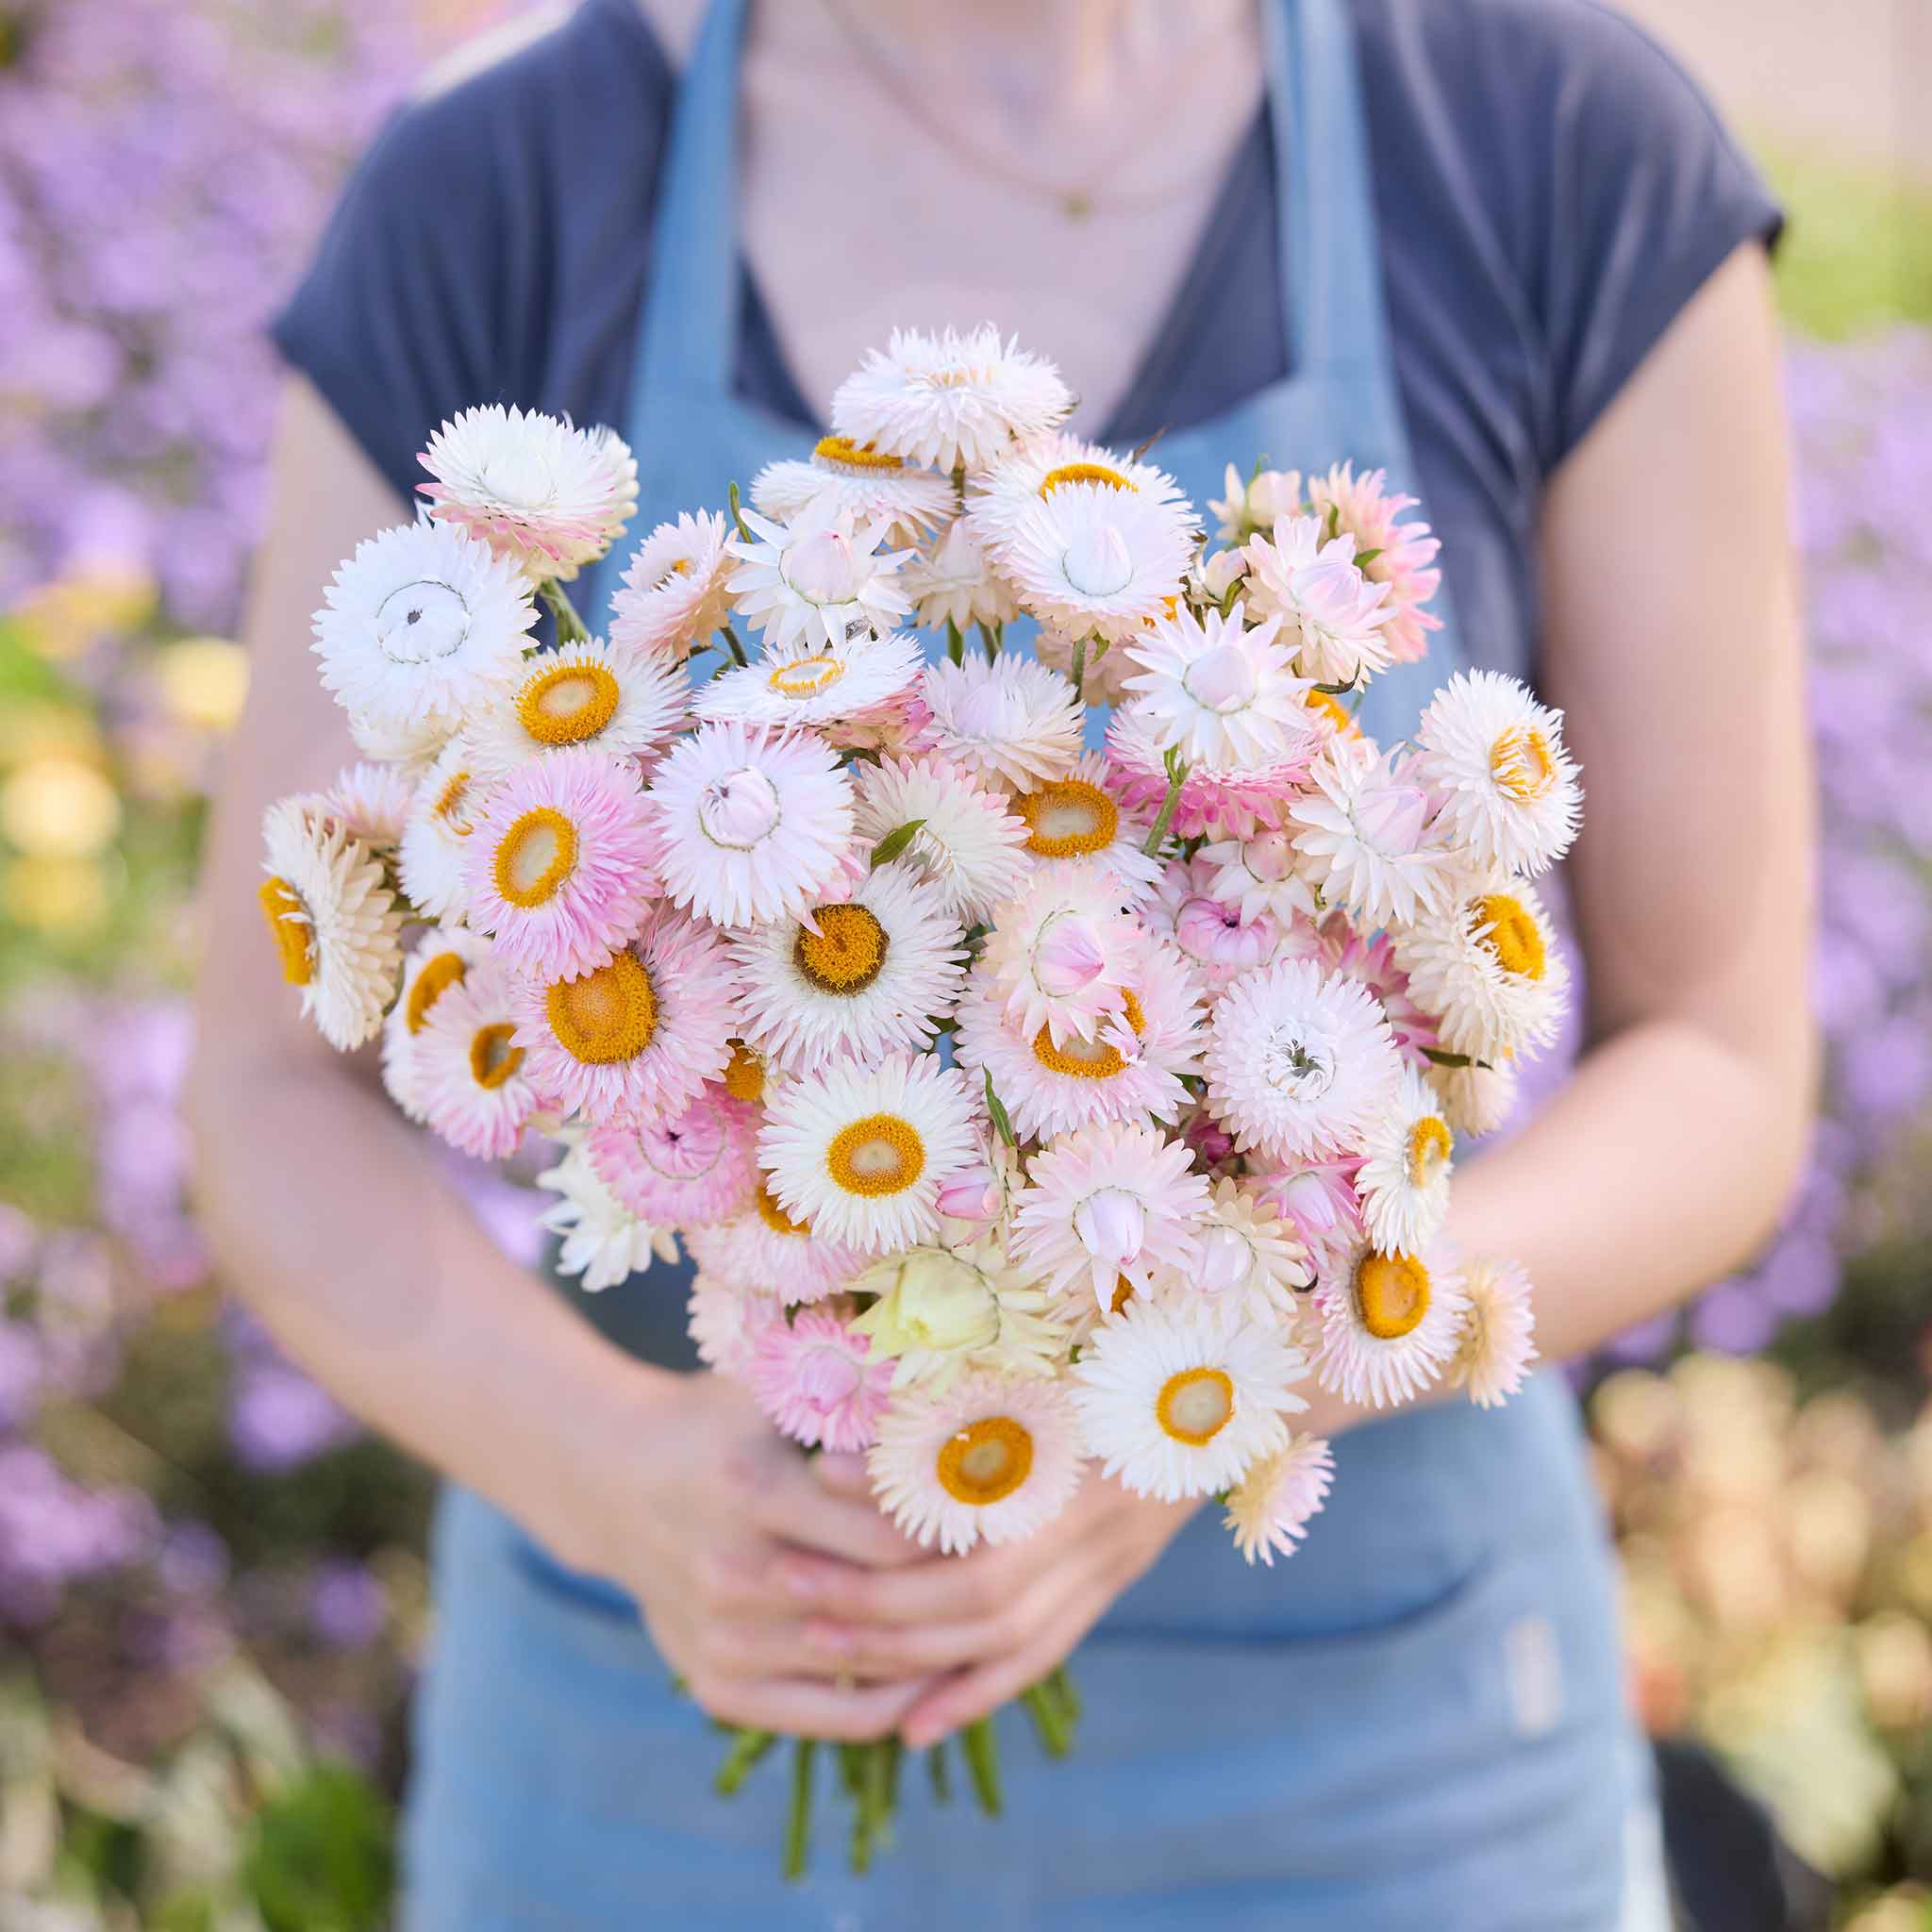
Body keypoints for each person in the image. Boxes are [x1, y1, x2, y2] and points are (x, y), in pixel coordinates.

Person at [187, 1, 1815, 1924]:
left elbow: (1718, 1057)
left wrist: (1243, 1367)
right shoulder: (504, 178)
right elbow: (273, 1085)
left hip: (1378, 1771)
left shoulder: (1543, 140)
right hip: (651, 1747)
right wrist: (616, 1468)